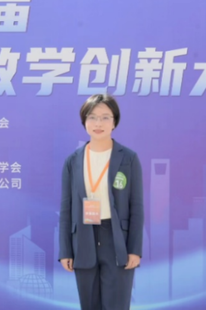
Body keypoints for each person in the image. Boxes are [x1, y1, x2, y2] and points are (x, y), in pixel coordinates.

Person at [58, 94, 144, 310]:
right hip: (83, 239)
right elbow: (66, 209)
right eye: (92, 117)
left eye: (105, 117)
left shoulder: (128, 158)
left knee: (117, 305)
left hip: (117, 240)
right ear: (84, 121)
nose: (98, 123)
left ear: (114, 122)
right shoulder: (72, 161)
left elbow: (136, 207)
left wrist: (134, 249)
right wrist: (65, 251)